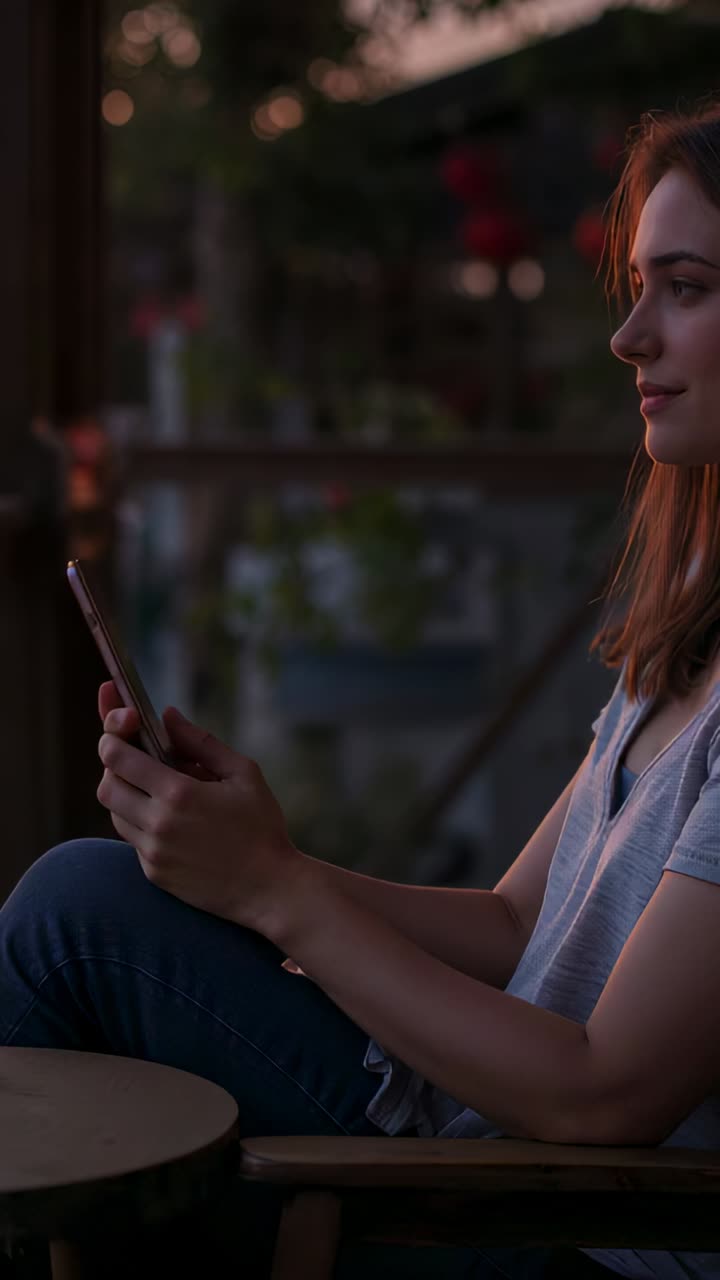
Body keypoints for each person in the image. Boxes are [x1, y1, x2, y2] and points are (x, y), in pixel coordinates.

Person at [5, 98, 720, 1280]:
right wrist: (247, 858)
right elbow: (510, 925)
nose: (628, 335)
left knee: (75, 926)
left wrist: (277, 892)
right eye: (638, 285)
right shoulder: (692, 632)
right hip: (479, 1147)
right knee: (92, 898)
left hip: (550, 1228)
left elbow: (605, 1095)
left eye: (685, 287)